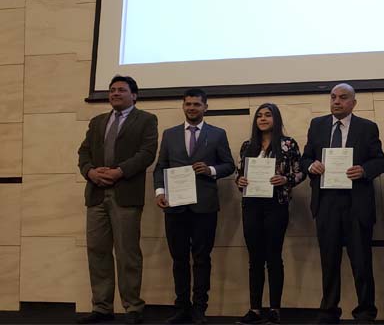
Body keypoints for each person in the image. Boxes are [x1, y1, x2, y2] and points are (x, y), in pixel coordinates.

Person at [301, 83, 384, 323]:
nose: (336, 101)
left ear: (353, 103)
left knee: (361, 263)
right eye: (333, 97)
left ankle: (366, 312)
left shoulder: (367, 127)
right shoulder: (317, 125)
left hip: (356, 204)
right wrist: (310, 165)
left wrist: (364, 170)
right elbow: (305, 157)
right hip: (326, 203)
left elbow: (380, 161)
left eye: (343, 98)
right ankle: (328, 311)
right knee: (329, 262)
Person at [77, 75, 158, 324]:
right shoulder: (97, 121)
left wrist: (119, 171)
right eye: (112, 90)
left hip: (126, 194)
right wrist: (90, 171)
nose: (115, 93)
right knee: (97, 251)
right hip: (96, 193)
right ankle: (102, 307)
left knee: (127, 253)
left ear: (134, 95)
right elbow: (84, 152)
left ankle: (133, 307)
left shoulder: (146, 120)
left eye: (121, 90)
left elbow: (147, 153)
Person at [153, 88, 235, 324]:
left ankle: (200, 308)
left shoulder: (218, 134)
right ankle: (181, 307)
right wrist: (160, 191)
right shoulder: (169, 134)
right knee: (178, 259)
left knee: (201, 259)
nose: (192, 108)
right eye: (188, 104)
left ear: (205, 107)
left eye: (197, 104)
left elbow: (228, 165)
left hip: (204, 207)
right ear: (183, 106)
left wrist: (210, 170)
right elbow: (160, 167)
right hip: (175, 206)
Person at [236, 103, 305, 324]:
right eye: (259, 116)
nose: (263, 119)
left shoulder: (288, 144)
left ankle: (275, 309)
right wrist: (240, 181)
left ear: (276, 118)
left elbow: (299, 173)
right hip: (251, 205)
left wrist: (286, 179)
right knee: (255, 259)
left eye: (268, 115)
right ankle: (255, 309)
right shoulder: (248, 145)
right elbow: (239, 176)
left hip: (276, 204)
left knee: (273, 257)